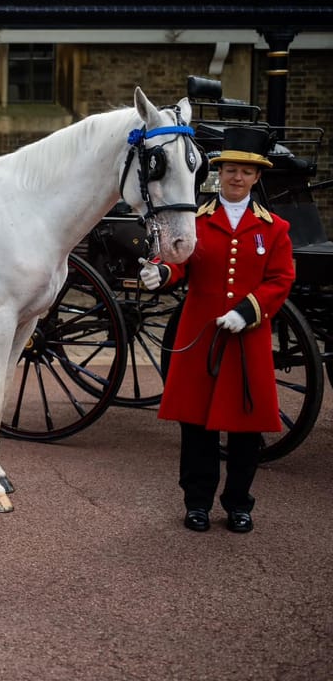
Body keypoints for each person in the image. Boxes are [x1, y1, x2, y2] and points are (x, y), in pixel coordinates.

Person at [140, 126, 294, 534]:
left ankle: (239, 504)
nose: (236, 177)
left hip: (247, 338)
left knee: (246, 429)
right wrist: (162, 273)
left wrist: (248, 310)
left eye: (245, 171)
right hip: (201, 334)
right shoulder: (199, 221)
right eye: (230, 169)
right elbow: (179, 261)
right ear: (218, 173)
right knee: (196, 427)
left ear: (257, 177)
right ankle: (197, 503)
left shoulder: (274, 228)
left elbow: (280, 279)